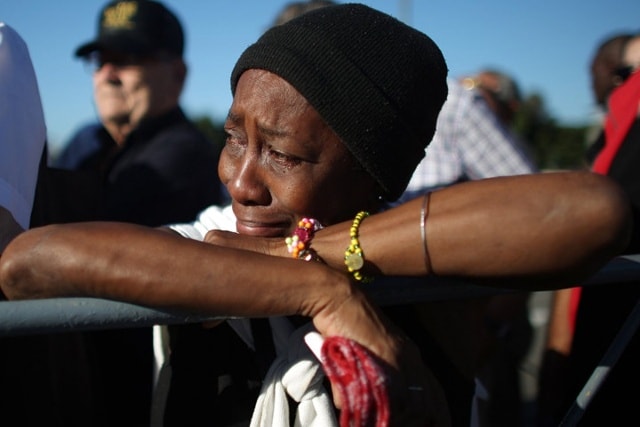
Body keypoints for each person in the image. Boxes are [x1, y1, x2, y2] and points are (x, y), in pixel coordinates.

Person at [0, 4, 632, 427]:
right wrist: (315, 290)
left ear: (373, 175)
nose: (242, 181)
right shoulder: (207, 239)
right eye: (232, 138)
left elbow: (594, 212)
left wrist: (307, 254)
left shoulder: (416, 250)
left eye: (283, 154)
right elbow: (27, 263)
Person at [34, 1, 227, 425]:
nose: (107, 73)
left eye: (130, 59)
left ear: (177, 74)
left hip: (134, 388)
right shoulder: (87, 143)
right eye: (101, 60)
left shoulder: (181, 155)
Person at [537, 33, 640, 427]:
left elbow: (597, 216)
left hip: (611, 329)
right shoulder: (618, 122)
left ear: (614, 73)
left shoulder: (630, 113)